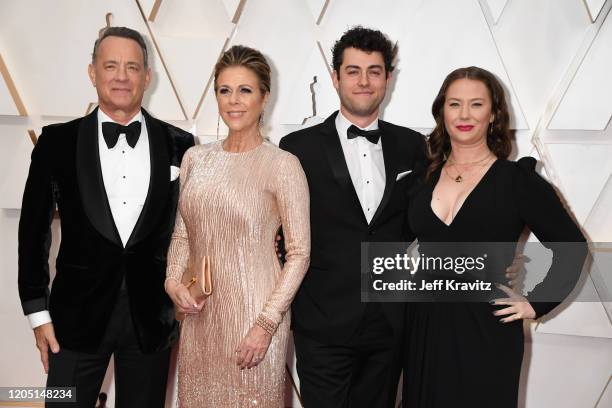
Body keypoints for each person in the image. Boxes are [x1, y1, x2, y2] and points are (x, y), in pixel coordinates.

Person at [17, 27, 194, 407]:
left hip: (151, 322)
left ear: (148, 76)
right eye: (110, 65)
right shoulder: (56, 142)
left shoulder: (180, 145)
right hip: (73, 321)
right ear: (92, 72)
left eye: (132, 67)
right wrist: (37, 314)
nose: (121, 76)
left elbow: (195, 228)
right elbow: (32, 234)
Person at [402, 66, 588, 407]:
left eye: (476, 104)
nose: (464, 114)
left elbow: (572, 247)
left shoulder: (518, 182)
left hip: (487, 329)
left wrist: (536, 303)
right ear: (442, 111)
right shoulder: (420, 179)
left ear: (493, 114)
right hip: (424, 328)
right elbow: (382, 237)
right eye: (454, 104)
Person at [279, 27, 426, 407]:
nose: (364, 81)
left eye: (374, 71)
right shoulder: (297, 148)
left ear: (388, 79)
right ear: (335, 77)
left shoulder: (413, 145)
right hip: (322, 321)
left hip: (389, 321)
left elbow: (419, 222)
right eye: (353, 70)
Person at [164, 45, 310, 407]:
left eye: (245, 90)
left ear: (264, 97)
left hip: (255, 319)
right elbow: (183, 233)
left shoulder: (282, 165)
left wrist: (266, 324)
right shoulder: (195, 158)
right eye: (224, 90)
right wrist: (171, 281)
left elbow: (299, 253)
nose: (234, 101)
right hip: (199, 319)